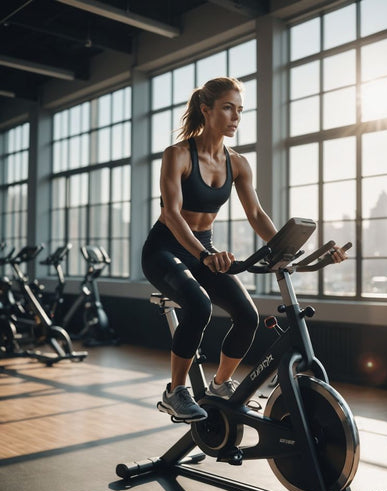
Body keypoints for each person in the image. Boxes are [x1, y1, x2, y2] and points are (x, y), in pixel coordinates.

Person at [142, 76, 347, 422]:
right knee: (198, 306)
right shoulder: (177, 155)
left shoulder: (236, 162)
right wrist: (205, 256)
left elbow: (256, 214)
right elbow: (171, 214)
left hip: (203, 249)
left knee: (247, 315)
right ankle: (175, 391)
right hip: (166, 249)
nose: (236, 117)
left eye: (240, 110)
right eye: (227, 108)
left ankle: (221, 385)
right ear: (205, 110)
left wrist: (288, 251)